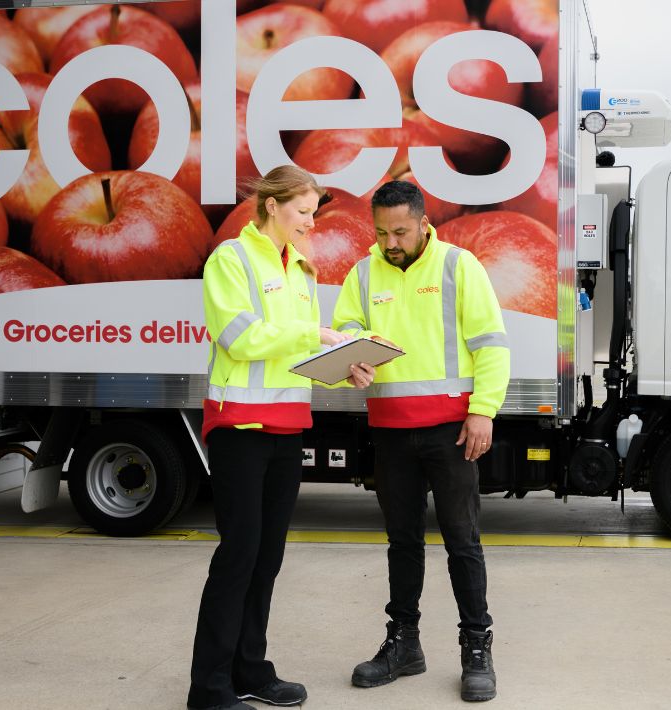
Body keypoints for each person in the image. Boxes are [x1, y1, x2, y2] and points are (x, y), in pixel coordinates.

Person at [188, 165, 375, 710]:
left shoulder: (303, 272)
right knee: (238, 556)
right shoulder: (231, 259)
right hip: (239, 429)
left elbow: (294, 356)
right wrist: (313, 332)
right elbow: (240, 338)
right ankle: (209, 688)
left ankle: (250, 670)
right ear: (271, 206)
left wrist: (344, 365)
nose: (310, 222)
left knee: (266, 558)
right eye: (302, 211)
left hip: (287, 428)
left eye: (314, 212)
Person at [332, 180, 510, 703]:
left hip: (451, 433)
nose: (391, 242)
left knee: (463, 542)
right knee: (402, 543)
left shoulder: (459, 266)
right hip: (390, 432)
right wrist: (351, 367)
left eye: (401, 232)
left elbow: (492, 345)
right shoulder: (363, 274)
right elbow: (343, 336)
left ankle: (476, 647)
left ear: (424, 223)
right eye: (382, 232)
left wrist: (484, 411)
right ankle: (403, 645)